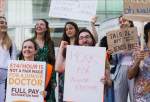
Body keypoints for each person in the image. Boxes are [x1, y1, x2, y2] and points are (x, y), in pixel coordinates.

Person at [56, 18, 98, 102]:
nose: (68, 30)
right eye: (66, 29)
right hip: (66, 78)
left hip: (83, 79)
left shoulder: (82, 42)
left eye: (71, 28)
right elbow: (58, 65)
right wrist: (61, 47)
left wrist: (92, 24)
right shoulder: (63, 44)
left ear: (76, 29)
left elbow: (95, 39)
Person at [111, 16, 135, 102]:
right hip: (120, 69)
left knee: (135, 97)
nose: (122, 23)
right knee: (119, 98)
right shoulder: (115, 39)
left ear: (130, 23)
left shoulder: (138, 36)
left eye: (124, 21)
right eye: (120, 22)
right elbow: (113, 61)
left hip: (134, 69)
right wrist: (111, 53)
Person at [32, 19, 56, 102]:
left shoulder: (50, 43)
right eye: (37, 24)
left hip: (47, 77)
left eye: (41, 24)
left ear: (46, 28)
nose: (39, 26)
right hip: (33, 77)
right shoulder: (30, 42)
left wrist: (53, 79)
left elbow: (52, 61)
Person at [128, 22, 150, 102]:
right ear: (148, 33)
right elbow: (130, 75)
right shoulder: (139, 50)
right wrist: (138, 61)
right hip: (142, 98)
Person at [0, 16, 17, 102]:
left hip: (5, 75)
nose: (4, 25)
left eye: (5, 23)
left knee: (2, 98)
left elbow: (13, 59)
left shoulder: (11, 42)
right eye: (1, 22)